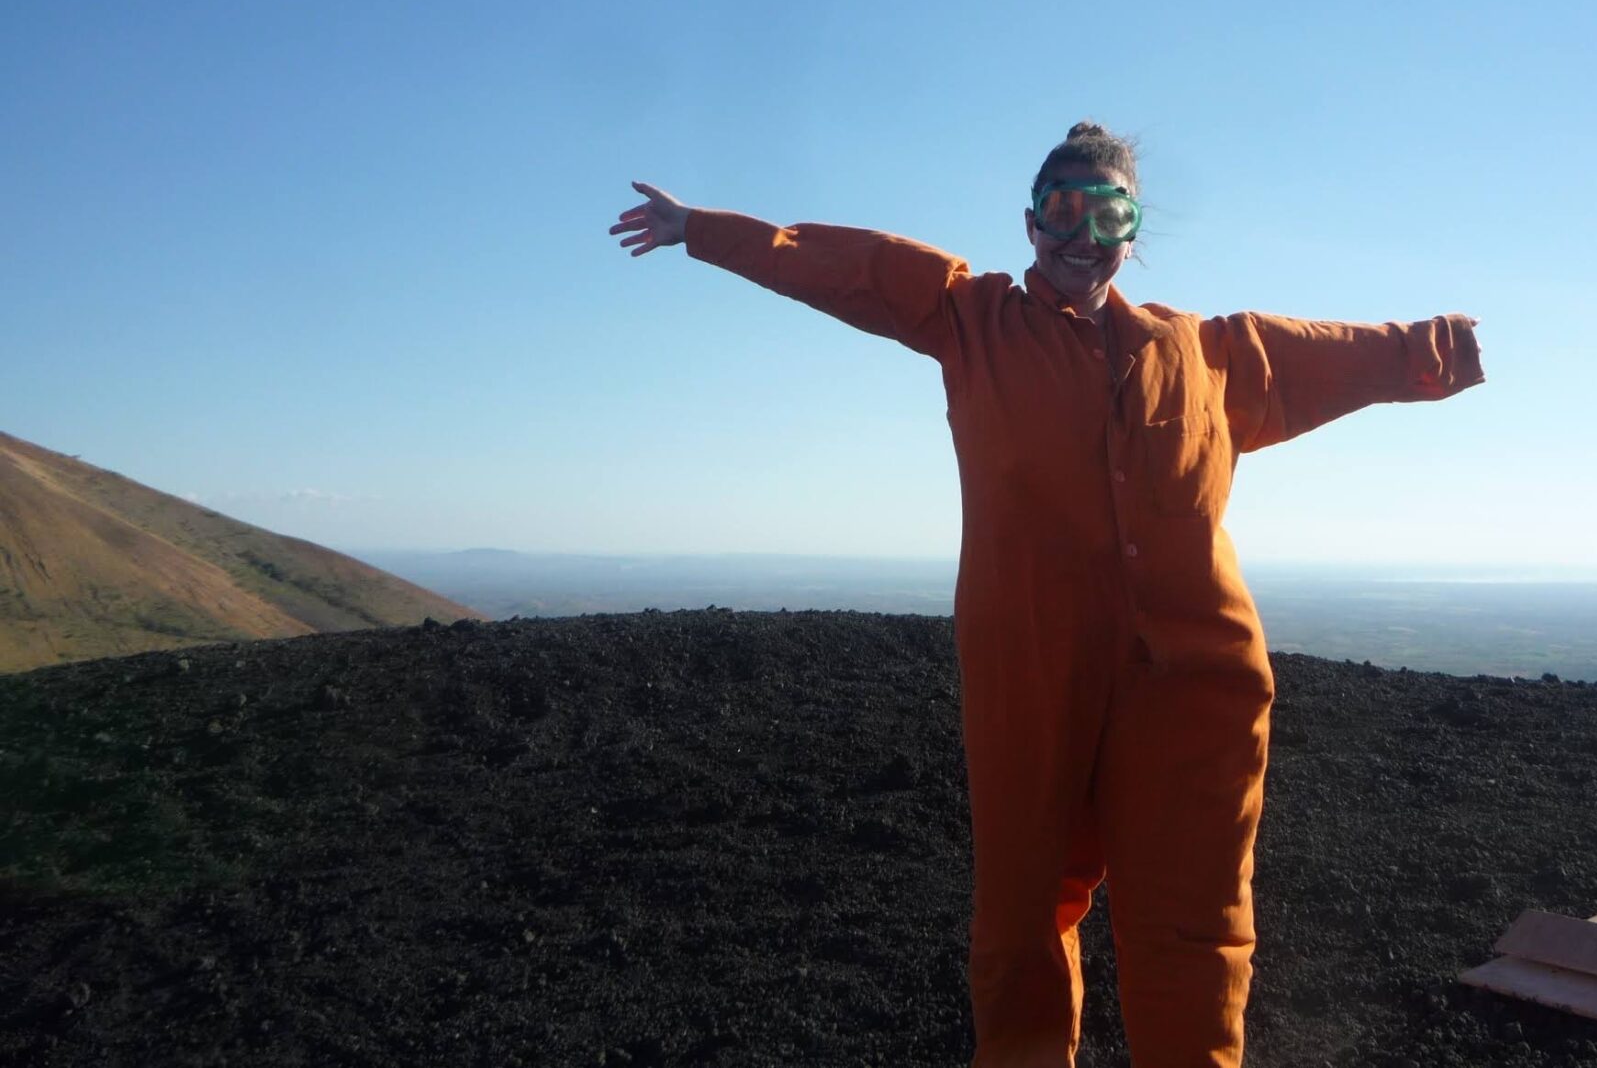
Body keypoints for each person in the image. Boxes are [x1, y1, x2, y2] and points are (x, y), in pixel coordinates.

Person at [610, 122, 1483, 1067]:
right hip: (1032, 669)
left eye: (1110, 212)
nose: (1085, 233)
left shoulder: (1212, 353)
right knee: (1026, 910)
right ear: (1031, 224)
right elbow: (845, 268)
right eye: (1065, 209)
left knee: (1199, 917)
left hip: (1197, 681)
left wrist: (1444, 348)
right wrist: (701, 228)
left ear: (1134, 230)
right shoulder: (971, 319)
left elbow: (1344, 351)